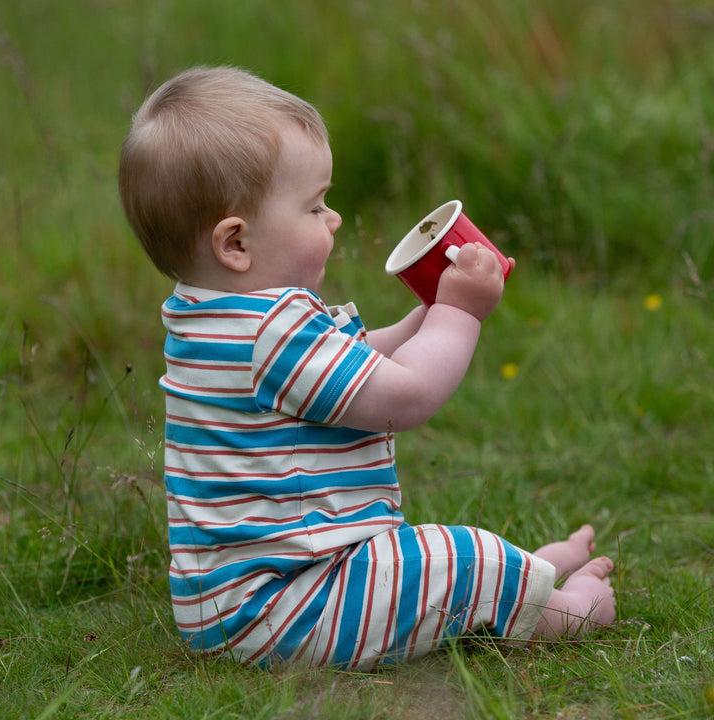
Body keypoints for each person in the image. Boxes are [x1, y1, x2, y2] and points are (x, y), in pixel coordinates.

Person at [119, 65, 616, 670]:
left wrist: (430, 312)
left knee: (421, 562)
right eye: (314, 206)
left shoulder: (208, 319)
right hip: (288, 607)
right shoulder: (270, 333)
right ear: (236, 244)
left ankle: (525, 580)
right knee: (453, 560)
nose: (334, 220)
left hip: (229, 608)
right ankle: (568, 611)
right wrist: (460, 314)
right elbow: (407, 395)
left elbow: (349, 363)